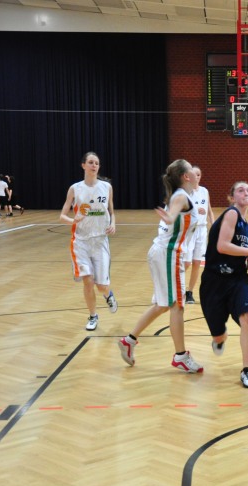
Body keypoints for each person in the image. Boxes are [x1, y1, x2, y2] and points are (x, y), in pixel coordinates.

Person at [118, 159, 203, 373]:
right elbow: (173, 214)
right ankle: (180, 356)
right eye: (191, 169)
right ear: (186, 176)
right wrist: (169, 217)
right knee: (177, 305)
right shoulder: (181, 196)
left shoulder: (182, 195)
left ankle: (128, 341)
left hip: (164, 253)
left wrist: (171, 217)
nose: (196, 172)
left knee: (164, 305)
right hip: (168, 254)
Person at [200, 181, 248, 389]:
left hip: (238, 279)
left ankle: (246, 370)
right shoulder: (232, 214)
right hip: (214, 281)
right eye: (240, 190)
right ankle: (220, 338)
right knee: (219, 334)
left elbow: (238, 252)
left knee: (247, 318)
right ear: (232, 198)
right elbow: (222, 246)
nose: (246, 192)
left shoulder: (246, 225)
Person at [59, 152, 118, 330]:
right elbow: (62, 216)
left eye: (97, 163)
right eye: (91, 162)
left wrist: (113, 223)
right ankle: (93, 316)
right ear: (83, 165)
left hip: (100, 241)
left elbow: (111, 211)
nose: (94, 165)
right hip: (81, 242)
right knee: (88, 281)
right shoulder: (75, 188)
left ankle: (108, 295)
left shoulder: (106, 187)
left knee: (101, 286)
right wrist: (73, 220)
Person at [184, 165, 213, 305]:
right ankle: (174, 286)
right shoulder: (186, 192)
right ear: (188, 176)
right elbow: (181, 211)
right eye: (194, 174)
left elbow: (209, 210)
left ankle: (189, 292)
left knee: (197, 262)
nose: (196, 176)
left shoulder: (204, 191)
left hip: (202, 230)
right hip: (190, 230)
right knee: (186, 262)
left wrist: (214, 226)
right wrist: (195, 210)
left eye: (199, 174)